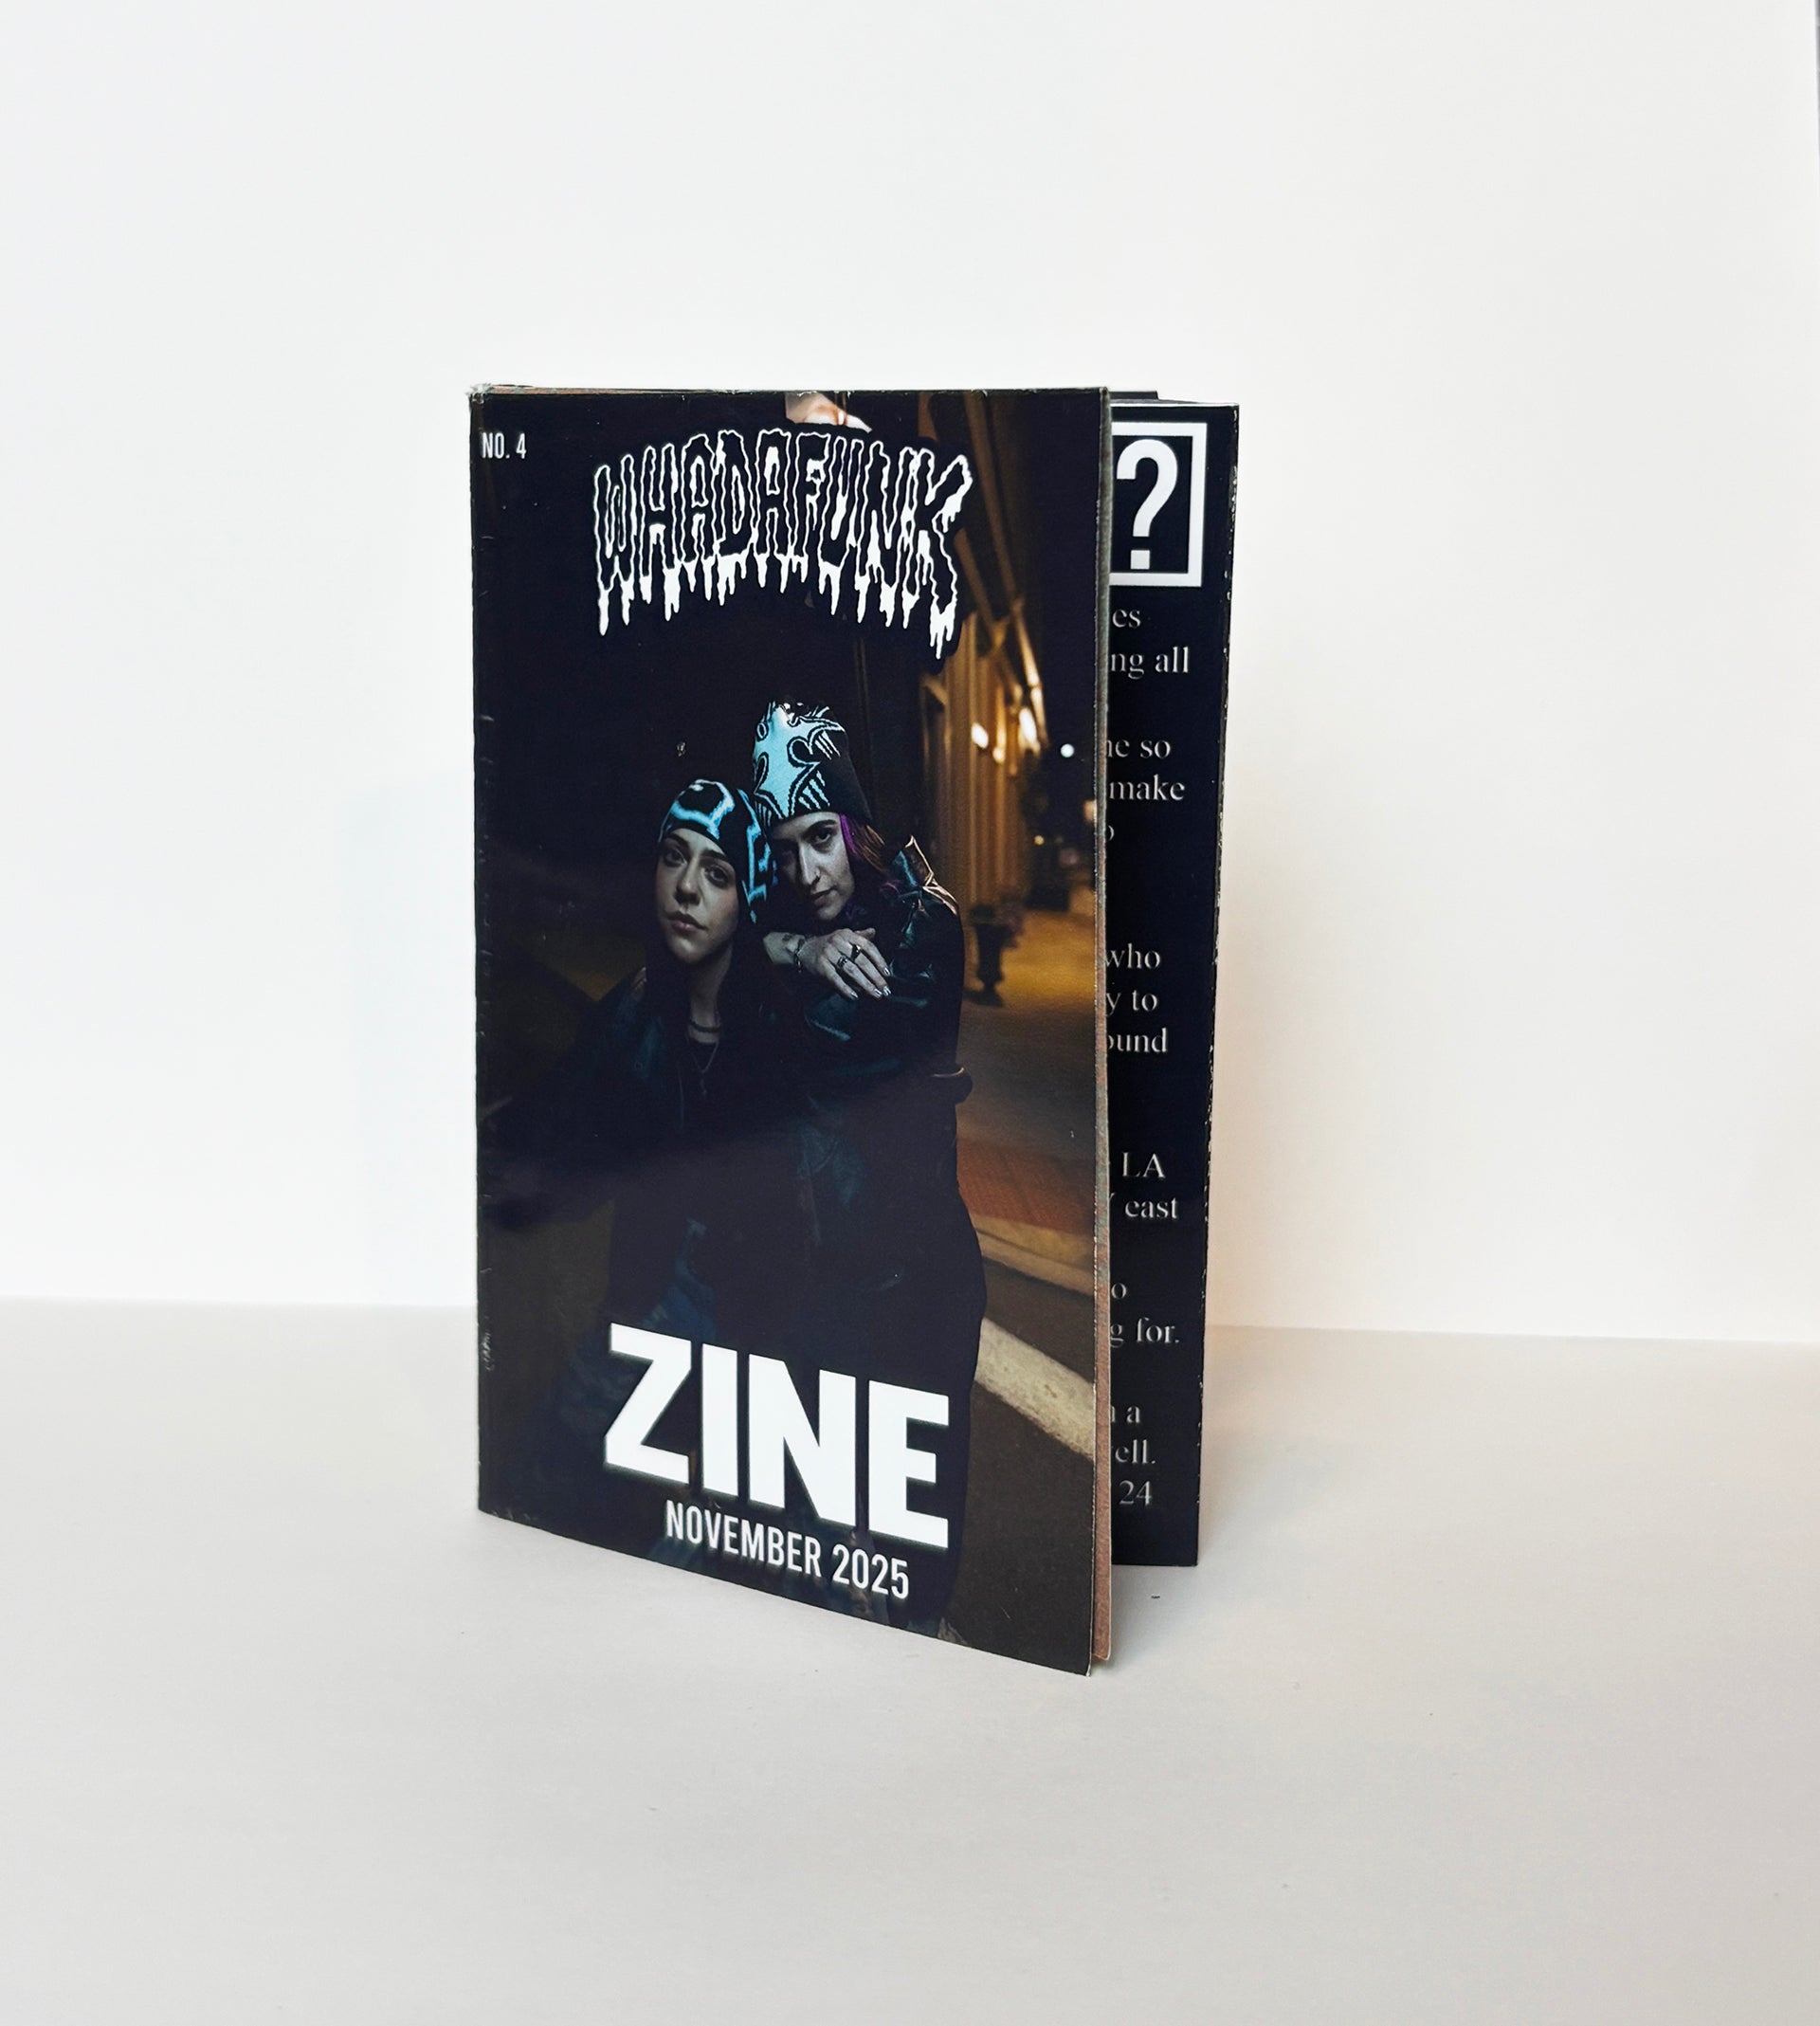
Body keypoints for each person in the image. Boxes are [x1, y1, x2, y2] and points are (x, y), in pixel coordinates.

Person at [482, 779, 808, 1542]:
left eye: (717, 873)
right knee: (540, 1488)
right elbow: (556, 1133)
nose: (686, 888)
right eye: (673, 857)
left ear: (748, 898)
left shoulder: (782, 1037)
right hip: (643, 1317)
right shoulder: (633, 1014)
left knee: (726, 1547)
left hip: (752, 1341)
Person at [751, 700, 987, 1628]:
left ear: (854, 828)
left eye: (821, 838)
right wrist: (796, 946)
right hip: (818, 1279)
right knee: (800, 1542)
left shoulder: (923, 926)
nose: (806, 871)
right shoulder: (797, 922)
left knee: (913, 1554)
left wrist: (767, 961)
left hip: (913, 1284)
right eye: (783, 849)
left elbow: (823, 1043)